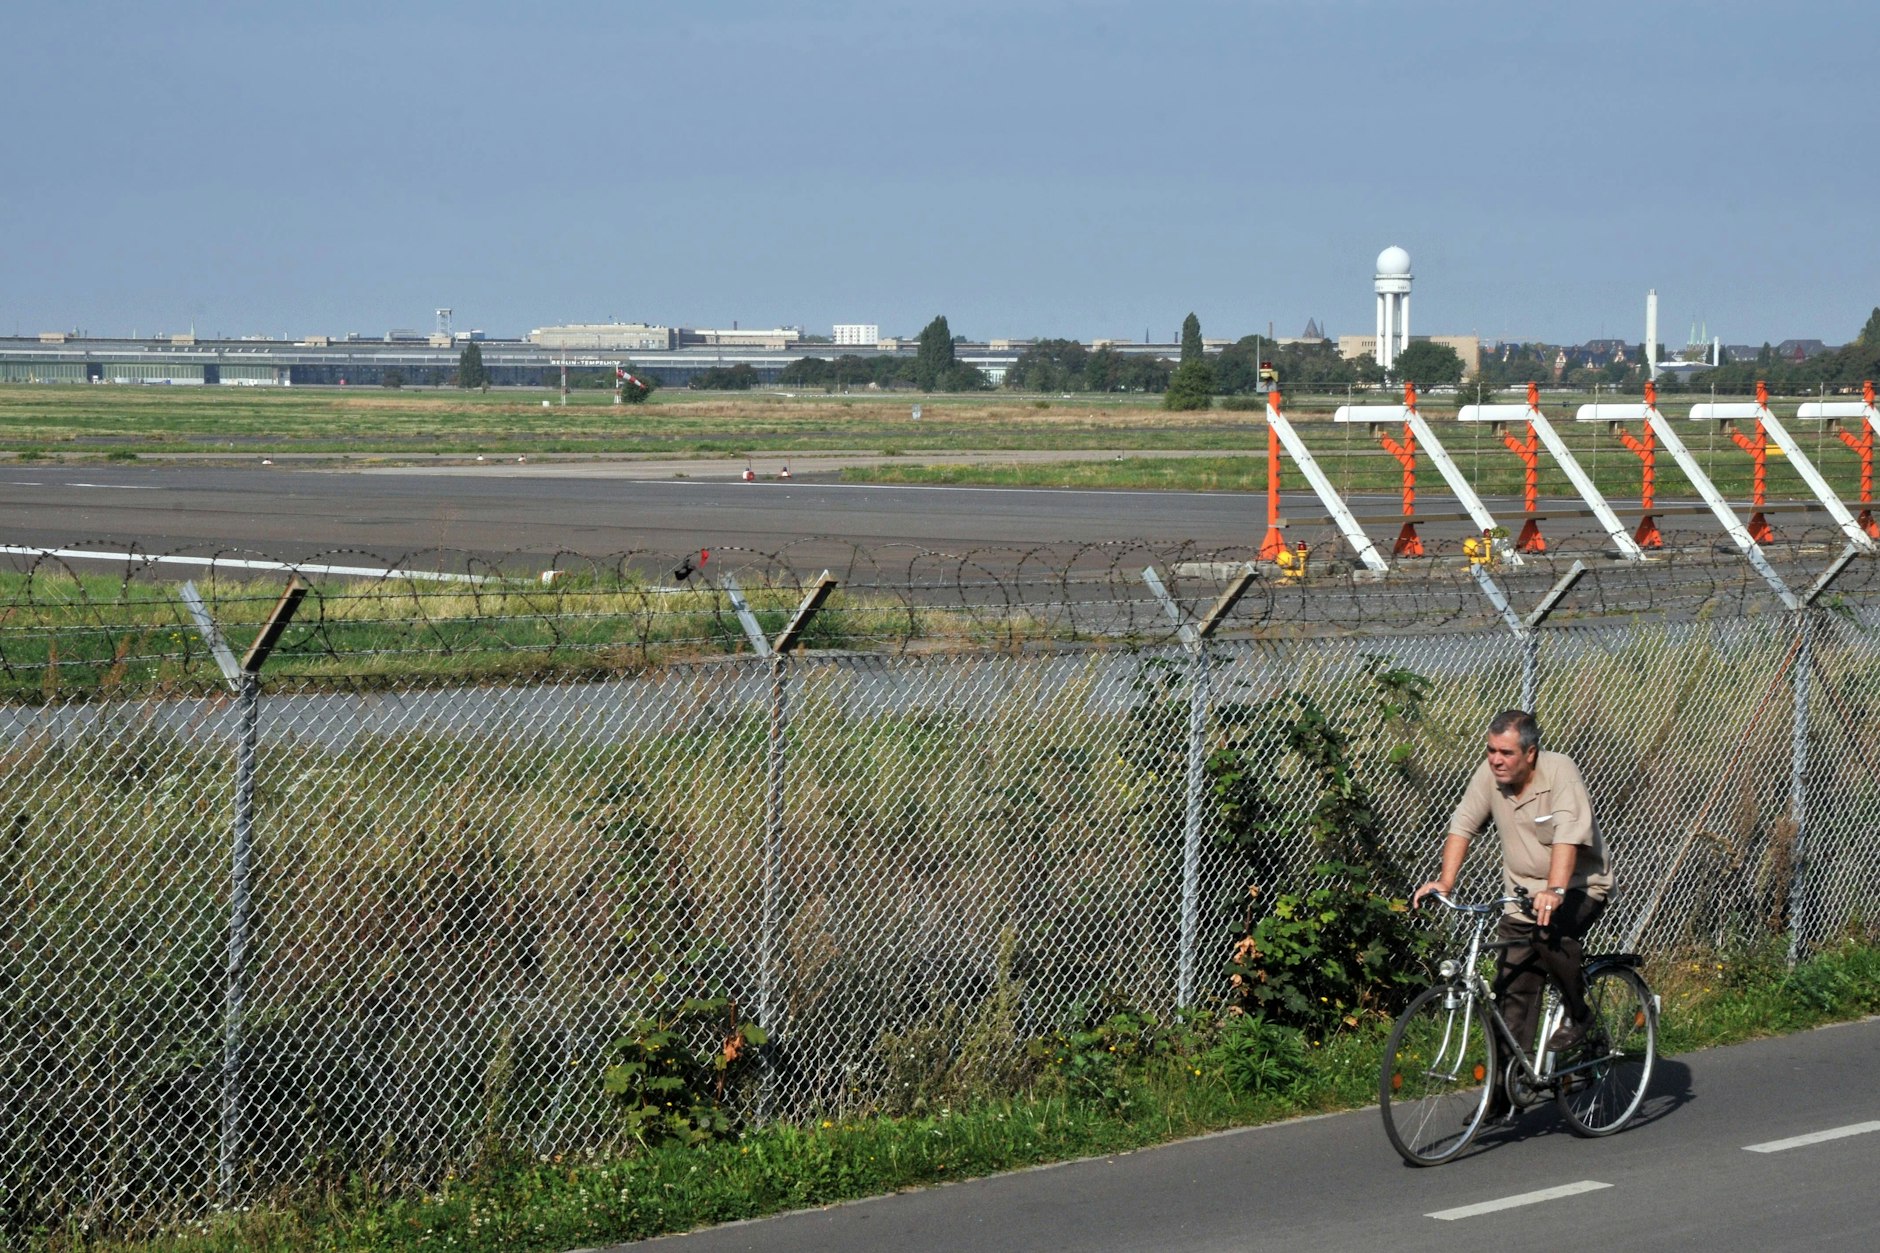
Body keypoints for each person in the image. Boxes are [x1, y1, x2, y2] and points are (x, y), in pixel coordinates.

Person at [1413, 709, 1615, 1068]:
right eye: (1491, 750)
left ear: (1531, 753)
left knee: (1546, 931)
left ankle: (1578, 1014)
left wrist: (1555, 889)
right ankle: (1506, 1093)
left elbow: (1567, 836)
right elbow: (1463, 824)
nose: (1496, 760)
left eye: (1506, 753)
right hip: (1521, 898)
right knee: (1511, 992)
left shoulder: (1559, 771)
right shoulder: (1489, 776)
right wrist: (1446, 881)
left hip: (1578, 887)